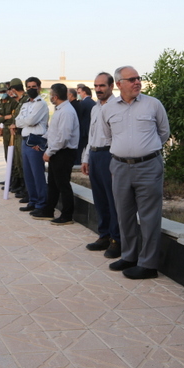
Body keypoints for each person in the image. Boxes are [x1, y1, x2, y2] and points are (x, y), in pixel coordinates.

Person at [102, 66, 170, 280]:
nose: (137, 82)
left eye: (138, 78)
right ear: (119, 84)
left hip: (148, 166)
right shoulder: (109, 108)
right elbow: (108, 136)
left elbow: (164, 133)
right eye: (131, 79)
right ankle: (129, 256)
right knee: (124, 214)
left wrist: (144, 151)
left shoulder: (153, 104)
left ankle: (148, 264)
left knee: (149, 216)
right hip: (120, 167)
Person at [80, 72, 121, 258]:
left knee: (113, 200)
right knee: (100, 198)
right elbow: (91, 136)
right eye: (96, 86)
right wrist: (86, 158)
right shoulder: (95, 108)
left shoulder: (117, 107)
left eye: (102, 86)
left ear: (112, 86)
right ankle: (103, 235)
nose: (98, 89)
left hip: (109, 155)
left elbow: (117, 136)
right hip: (95, 155)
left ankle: (116, 240)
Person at [32, 83, 79, 225]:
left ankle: (67, 215)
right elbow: (53, 132)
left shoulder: (66, 112)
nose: (50, 97)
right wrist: (40, 141)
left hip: (63, 153)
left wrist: (49, 152)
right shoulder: (60, 110)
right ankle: (48, 210)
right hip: (57, 151)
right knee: (52, 183)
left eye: (51, 94)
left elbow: (63, 137)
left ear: (56, 96)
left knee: (63, 184)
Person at [16, 77, 49, 213]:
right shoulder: (25, 104)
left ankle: (41, 204)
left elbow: (31, 120)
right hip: (25, 140)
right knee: (28, 173)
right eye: (28, 87)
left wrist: (25, 121)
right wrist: (26, 121)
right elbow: (17, 121)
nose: (31, 89)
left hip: (35, 140)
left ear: (39, 88)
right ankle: (33, 200)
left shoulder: (41, 104)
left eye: (33, 86)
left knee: (37, 174)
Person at [75, 84, 95, 165]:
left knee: (78, 152)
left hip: (82, 131)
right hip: (90, 131)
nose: (78, 95)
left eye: (79, 92)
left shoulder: (83, 103)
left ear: (84, 92)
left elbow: (79, 116)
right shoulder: (94, 103)